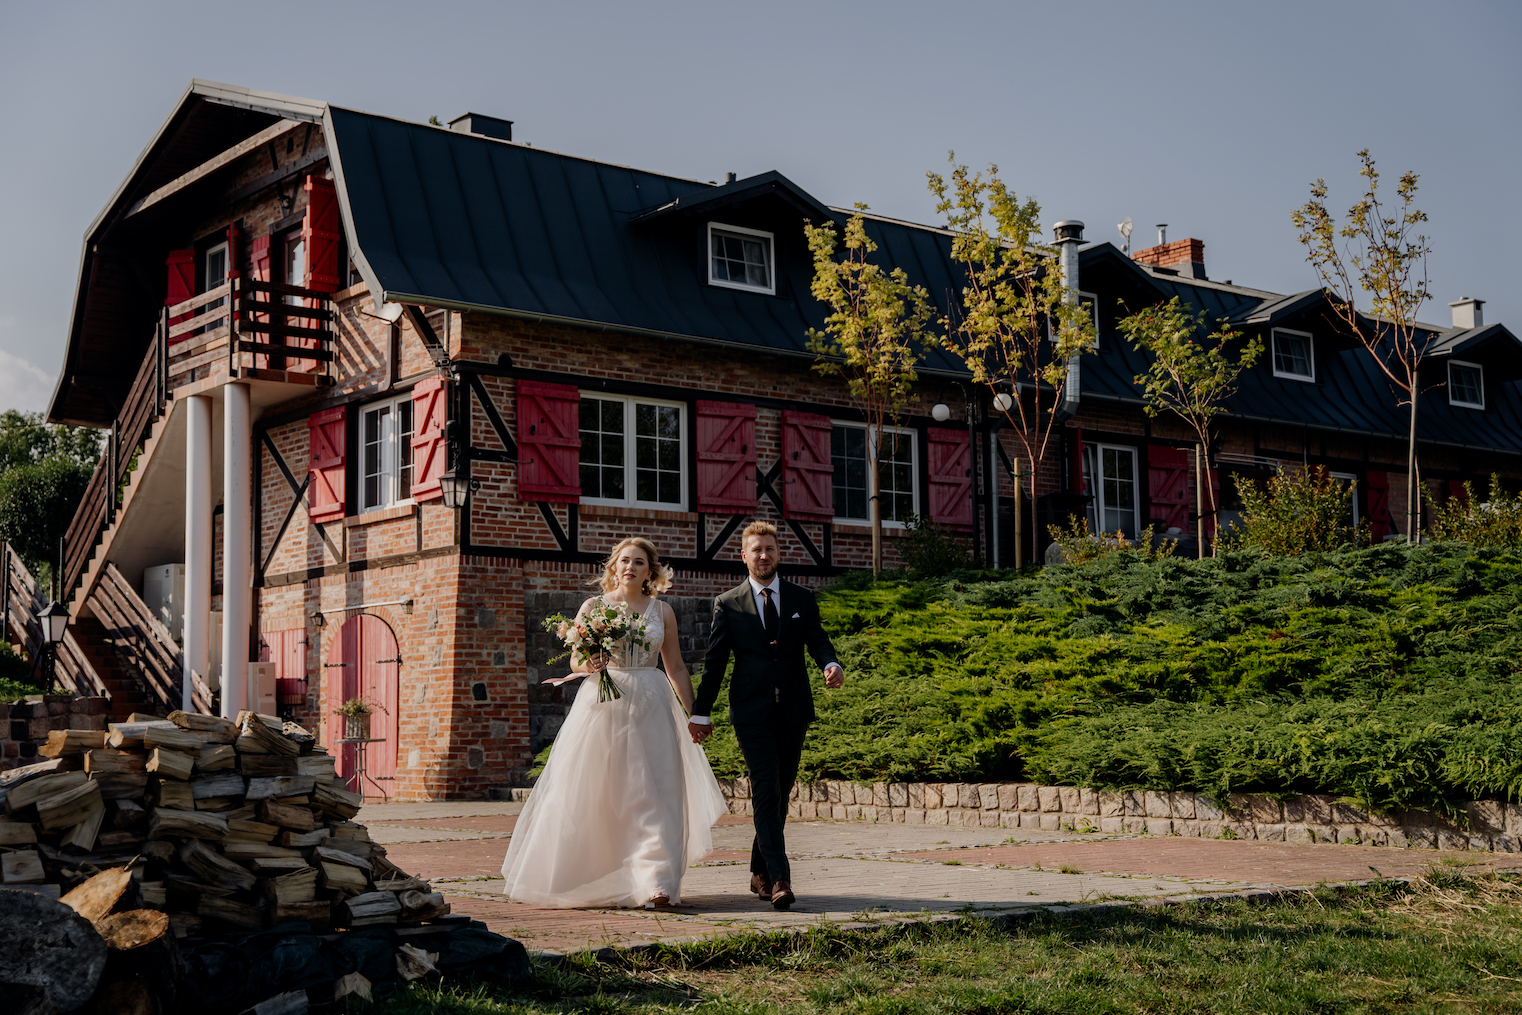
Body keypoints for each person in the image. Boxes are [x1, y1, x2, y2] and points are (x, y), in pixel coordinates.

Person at [500, 537, 726, 909]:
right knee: (603, 791)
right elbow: (575, 661)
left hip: (653, 704)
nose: (630, 567)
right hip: (604, 705)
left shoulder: (662, 611)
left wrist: (695, 713)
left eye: (638, 562)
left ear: (650, 571)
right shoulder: (594, 607)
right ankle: (600, 874)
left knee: (657, 792)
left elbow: (676, 667)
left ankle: (658, 883)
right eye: (624, 561)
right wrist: (590, 665)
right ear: (614, 567)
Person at [689, 521, 844, 910]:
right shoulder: (729, 603)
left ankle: (759, 870)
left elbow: (818, 640)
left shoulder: (801, 598)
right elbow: (715, 663)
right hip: (751, 713)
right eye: (756, 550)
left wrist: (831, 663)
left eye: (769, 549)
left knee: (780, 792)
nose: (763, 555)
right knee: (765, 789)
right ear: (744, 555)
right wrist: (701, 713)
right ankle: (779, 878)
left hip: (793, 710)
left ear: (778, 553)